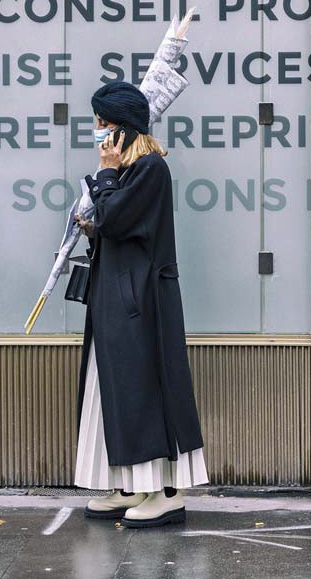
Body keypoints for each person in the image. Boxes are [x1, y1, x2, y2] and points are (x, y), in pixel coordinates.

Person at [72, 80, 207, 528]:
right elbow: (117, 228)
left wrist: (105, 178)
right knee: (116, 389)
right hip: (118, 299)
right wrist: (93, 229)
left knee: (144, 389)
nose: (98, 133)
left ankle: (165, 492)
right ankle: (128, 483)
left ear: (124, 129)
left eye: (104, 124)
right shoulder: (132, 172)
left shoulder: (148, 169)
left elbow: (116, 217)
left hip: (141, 302)